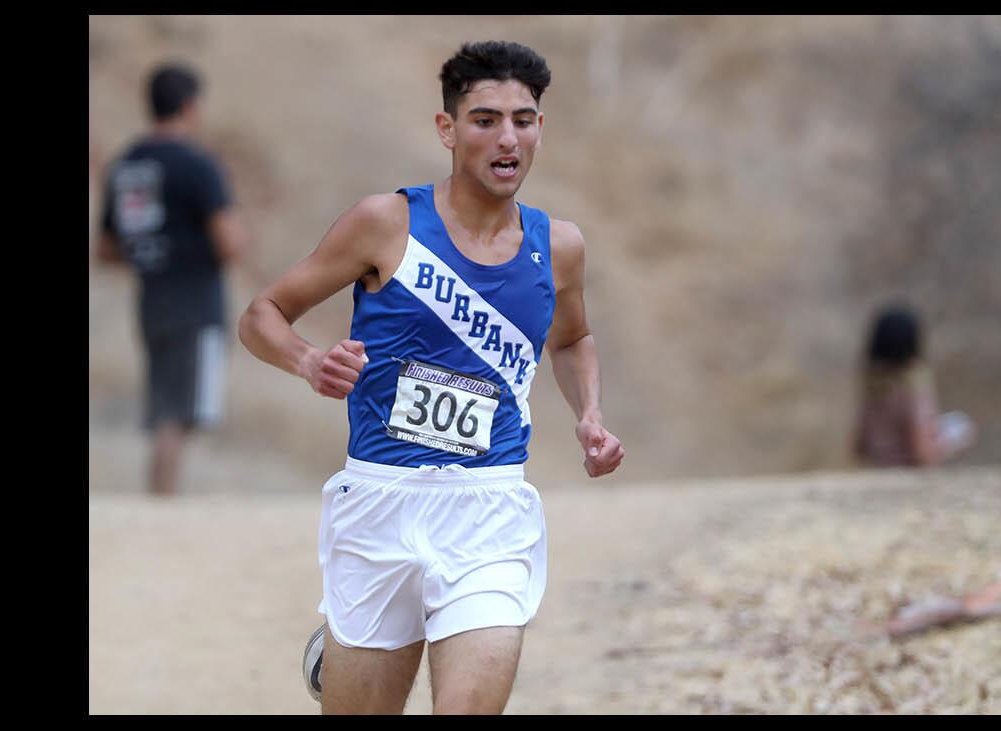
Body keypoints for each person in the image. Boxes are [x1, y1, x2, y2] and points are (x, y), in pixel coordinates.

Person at [237, 41, 624, 715]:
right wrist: (308, 361)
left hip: (488, 509)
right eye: (485, 119)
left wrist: (588, 413)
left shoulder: (558, 245)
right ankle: (342, 652)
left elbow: (574, 337)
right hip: (379, 504)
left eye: (524, 119)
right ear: (447, 129)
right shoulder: (385, 224)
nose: (508, 137)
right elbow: (261, 313)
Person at [96, 62, 248, 496]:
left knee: (166, 403)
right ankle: (164, 505)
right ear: (190, 105)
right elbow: (230, 242)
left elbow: (106, 248)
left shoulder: (126, 164)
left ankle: (162, 501)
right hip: (195, 302)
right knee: (179, 414)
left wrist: (155, 254)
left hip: (152, 301)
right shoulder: (198, 165)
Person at [852, 303, 975, 467]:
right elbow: (922, 453)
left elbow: (859, 446)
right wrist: (954, 440)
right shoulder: (913, 389)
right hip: (908, 477)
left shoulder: (872, 388)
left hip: (878, 473)